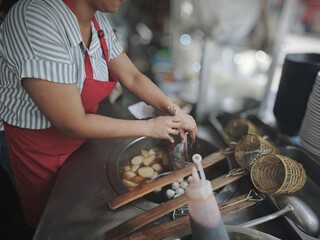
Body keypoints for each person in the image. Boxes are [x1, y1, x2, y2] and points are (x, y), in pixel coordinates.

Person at [0, 0, 197, 228]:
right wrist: (151, 127)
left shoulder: (97, 21)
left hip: (81, 142)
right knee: (54, 224)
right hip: (37, 148)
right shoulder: (35, 17)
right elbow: (70, 122)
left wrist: (175, 110)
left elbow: (132, 77)